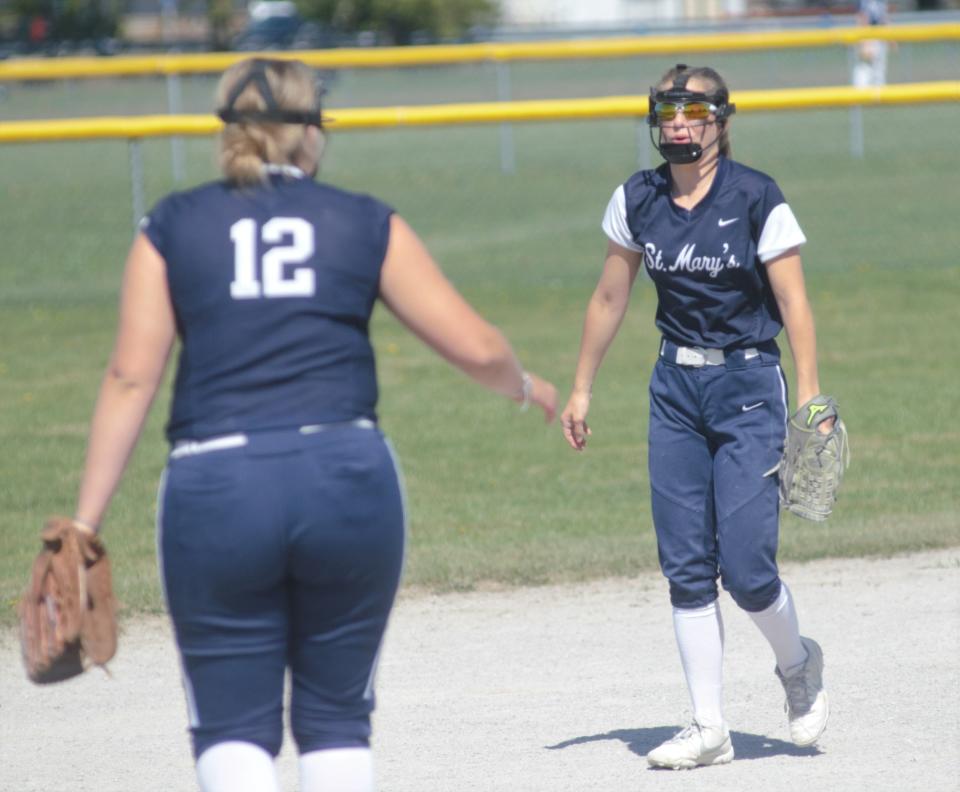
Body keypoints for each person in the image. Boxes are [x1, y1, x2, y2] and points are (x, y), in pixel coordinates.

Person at [71, 57, 557, 792]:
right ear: (312, 133)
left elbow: (131, 377)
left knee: (233, 726)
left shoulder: (171, 223)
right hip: (346, 477)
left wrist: (84, 525)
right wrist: (523, 385)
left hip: (218, 485)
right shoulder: (363, 219)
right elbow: (479, 348)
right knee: (335, 719)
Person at [560, 64, 831, 770]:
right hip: (674, 389)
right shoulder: (638, 198)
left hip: (747, 384)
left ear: (720, 121)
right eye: (668, 111)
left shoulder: (755, 196)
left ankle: (797, 664)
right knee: (685, 567)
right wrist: (581, 388)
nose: (678, 123)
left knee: (746, 568)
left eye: (693, 111)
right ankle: (709, 727)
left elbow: (795, 303)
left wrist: (810, 395)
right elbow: (609, 298)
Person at [852, 0, 891, 88]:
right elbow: (862, 17)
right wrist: (864, 40)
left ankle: (878, 96)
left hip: (880, 36)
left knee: (879, 69)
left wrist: (890, 37)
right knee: (864, 66)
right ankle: (859, 95)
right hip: (868, 35)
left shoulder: (881, 2)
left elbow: (884, 18)